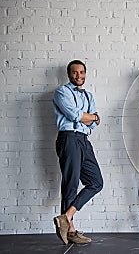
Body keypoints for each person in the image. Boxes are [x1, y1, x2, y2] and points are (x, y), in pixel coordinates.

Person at [52, 60, 103, 245]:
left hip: (84, 140)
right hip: (68, 138)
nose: (78, 76)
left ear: (85, 73)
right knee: (71, 184)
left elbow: (93, 122)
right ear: (69, 74)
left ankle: (65, 217)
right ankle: (71, 231)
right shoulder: (61, 92)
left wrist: (90, 118)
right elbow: (75, 115)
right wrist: (90, 117)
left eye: (81, 72)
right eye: (74, 73)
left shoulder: (88, 96)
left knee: (96, 182)